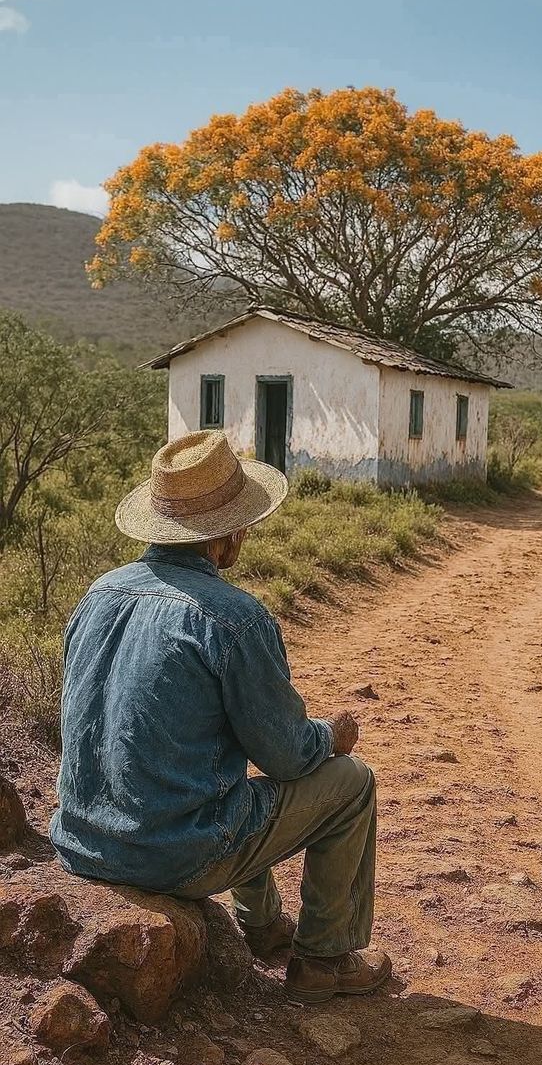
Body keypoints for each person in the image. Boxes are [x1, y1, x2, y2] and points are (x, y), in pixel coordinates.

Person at [50, 429, 391, 1004]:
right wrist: (330, 736)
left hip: (82, 841)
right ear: (228, 532)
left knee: (226, 778)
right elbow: (286, 753)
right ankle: (324, 960)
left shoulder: (98, 596)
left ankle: (261, 929)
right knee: (350, 783)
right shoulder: (233, 617)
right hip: (172, 854)